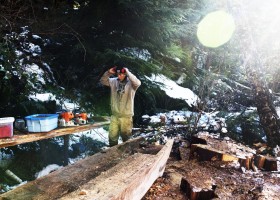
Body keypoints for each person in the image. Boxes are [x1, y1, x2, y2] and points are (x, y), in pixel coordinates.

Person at [100, 64, 141, 147]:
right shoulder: (113, 81)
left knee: (126, 138)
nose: (119, 76)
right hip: (115, 115)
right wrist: (108, 73)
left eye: (121, 74)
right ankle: (112, 154)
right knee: (112, 137)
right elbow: (103, 81)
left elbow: (138, 83)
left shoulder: (132, 84)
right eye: (118, 74)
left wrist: (128, 72)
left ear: (125, 74)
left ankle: (126, 156)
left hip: (126, 116)